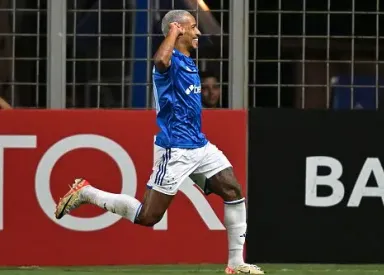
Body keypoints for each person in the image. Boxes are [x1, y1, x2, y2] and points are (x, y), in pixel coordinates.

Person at [54, 10, 264, 275]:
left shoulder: (187, 61)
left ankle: (236, 263)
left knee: (233, 192)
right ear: (179, 29)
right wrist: (173, 32)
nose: (198, 32)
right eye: (193, 27)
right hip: (175, 149)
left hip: (200, 146)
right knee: (148, 217)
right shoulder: (168, 61)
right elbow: (159, 61)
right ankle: (86, 193)